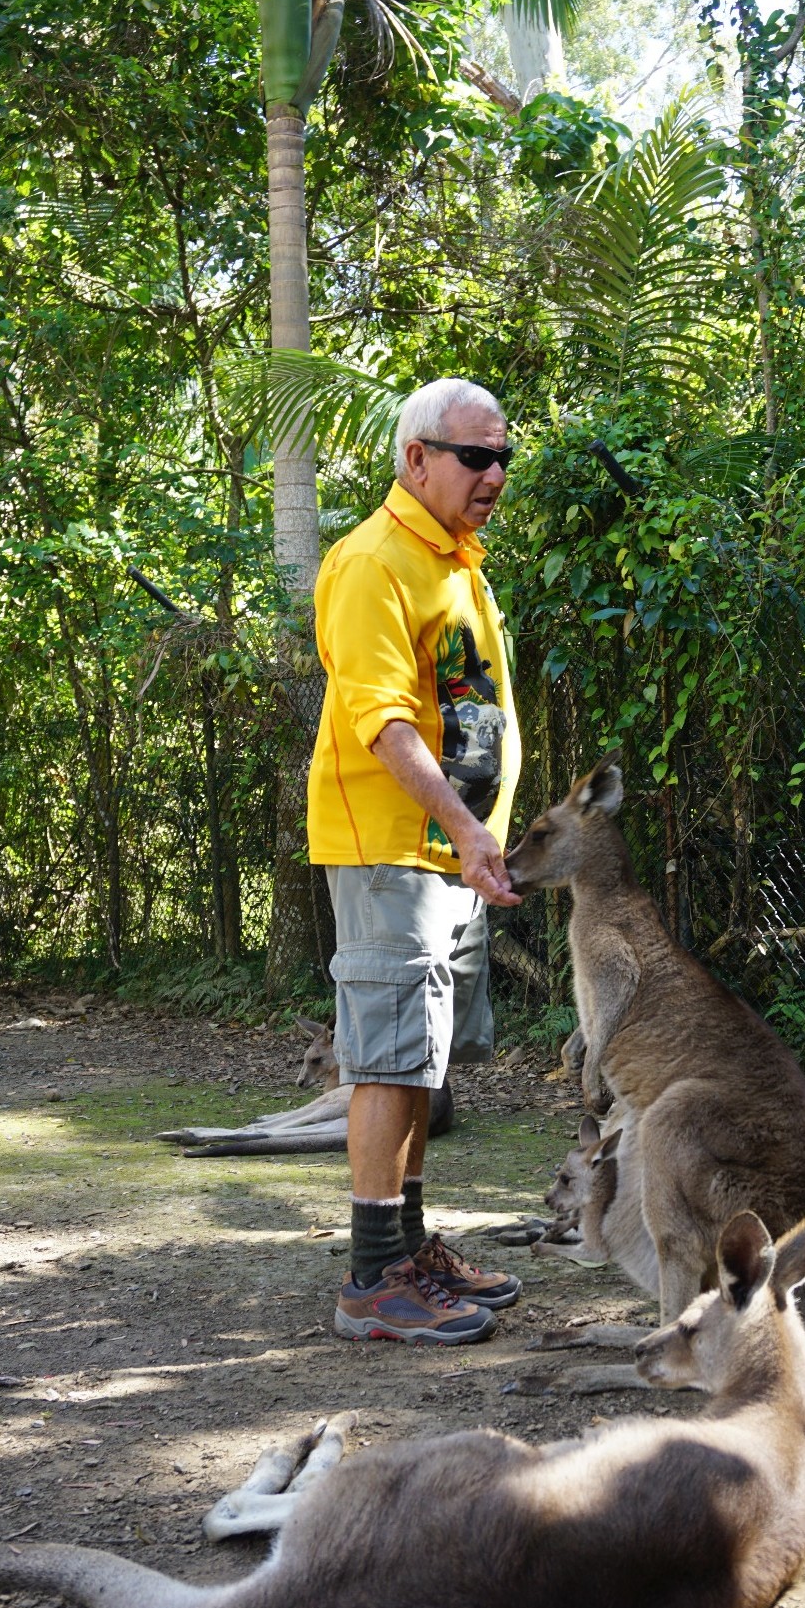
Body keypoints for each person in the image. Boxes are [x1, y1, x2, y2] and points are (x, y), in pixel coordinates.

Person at [307, 377, 524, 1345]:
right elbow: (387, 724)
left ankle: (413, 1246)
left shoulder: (458, 563)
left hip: (450, 852)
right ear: (416, 458)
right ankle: (371, 1276)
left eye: (503, 457)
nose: (494, 474)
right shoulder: (373, 562)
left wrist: (480, 834)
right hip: (393, 844)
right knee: (391, 1055)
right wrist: (466, 828)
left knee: (426, 1056)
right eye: (475, 456)